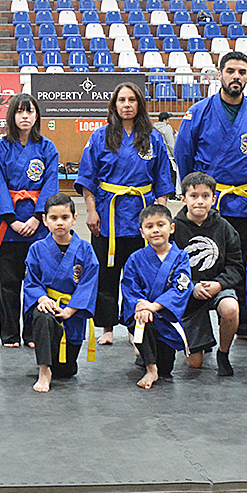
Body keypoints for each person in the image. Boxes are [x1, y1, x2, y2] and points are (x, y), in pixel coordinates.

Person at [171, 50, 247, 337]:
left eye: (242, 72)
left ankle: (245, 323)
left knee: (243, 262)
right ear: (220, 75)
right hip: (207, 204)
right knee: (201, 261)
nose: (236, 77)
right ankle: (193, 321)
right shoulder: (199, 111)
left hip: (244, 203)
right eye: (231, 71)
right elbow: (183, 153)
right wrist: (195, 191)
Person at [76, 81, 173, 345]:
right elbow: (87, 179)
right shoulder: (100, 136)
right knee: (106, 273)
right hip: (109, 213)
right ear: (114, 105)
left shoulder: (153, 138)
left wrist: (159, 215)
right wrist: (91, 211)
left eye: (132, 100)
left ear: (139, 104)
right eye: (122, 100)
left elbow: (162, 180)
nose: (127, 105)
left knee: (138, 274)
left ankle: (134, 325)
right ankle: (107, 327)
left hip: (142, 213)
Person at [0, 93, 59, 347]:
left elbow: (51, 183)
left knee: (35, 281)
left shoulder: (47, 147)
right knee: (8, 283)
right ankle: (9, 334)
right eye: (19, 112)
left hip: (38, 226)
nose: (25, 116)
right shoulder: (1, 147)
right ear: (12, 116)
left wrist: (39, 217)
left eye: (29, 111)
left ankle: (32, 333)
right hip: (9, 226)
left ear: (36, 115)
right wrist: (11, 219)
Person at [23, 193, 99, 393]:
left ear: (74, 218)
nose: (59, 223)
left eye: (65, 218)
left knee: (66, 371)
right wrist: (42, 298)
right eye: (54, 218)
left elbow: (88, 283)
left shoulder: (85, 250)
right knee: (43, 315)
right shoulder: (37, 249)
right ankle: (44, 370)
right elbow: (31, 281)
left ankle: (54, 365)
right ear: (44, 220)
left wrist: (71, 309)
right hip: (47, 304)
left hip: (72, 310)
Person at [170, 172, 242, 376]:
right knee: (195, 364)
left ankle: (224, 352)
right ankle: (196, 344)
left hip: (217, 287)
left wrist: (219, 284)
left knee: (230, 309)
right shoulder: (174, 229)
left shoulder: (225, 228)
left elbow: (236, 266)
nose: (199, 201)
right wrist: (191, 286)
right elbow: (168, 268)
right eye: (194, 196)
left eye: (205, 196)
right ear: (183, 199)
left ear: (214, 199)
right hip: (188, 291)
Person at [121, 203, 195, 389]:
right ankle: (150, 368)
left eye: (160, 225)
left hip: (165, 314)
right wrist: (142, 306)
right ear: (142, 232)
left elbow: (181, 286)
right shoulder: (135, 258)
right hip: (143, 315)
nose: (155, 230)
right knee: (142, 321)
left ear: (171, 228)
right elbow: (130, 287)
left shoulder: (181, 258)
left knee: (166, 368)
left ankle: (146, 356)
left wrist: (153, 306)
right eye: (149, 226)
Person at [152, 110, 179, 185]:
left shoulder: (153, 128)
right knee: (172, 175)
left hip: (155, 155)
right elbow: (170, 144)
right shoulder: (167, 128)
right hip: (167, 156)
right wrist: (175, 155)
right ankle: (171, 195)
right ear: (164, 120)